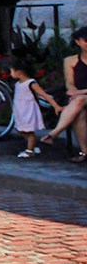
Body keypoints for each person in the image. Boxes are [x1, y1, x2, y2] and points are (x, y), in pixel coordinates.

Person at [42, 26, 87, 162]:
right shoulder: (70, 61)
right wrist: (75, 92)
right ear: (78, 42)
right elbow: (69, 83)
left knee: (78, 100)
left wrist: (80, 92)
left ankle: (54, 133)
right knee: (79, 110)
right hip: (79, 97)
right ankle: (85, 151)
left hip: (80, 95)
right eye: (86, 41)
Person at [9, 59, 62, 159]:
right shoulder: (18, 84)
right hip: (20, 111)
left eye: (11, 71)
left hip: (28, 111)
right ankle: (32, 146)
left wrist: (56, 106)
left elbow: (45, 95)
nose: (10, 73)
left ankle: (30, 151)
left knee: (29, 131)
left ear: (18, 71)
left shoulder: (31, 83)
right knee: (21, 129)